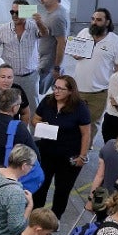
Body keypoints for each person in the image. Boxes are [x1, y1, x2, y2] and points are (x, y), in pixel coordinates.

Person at [31, 75, 92, 218]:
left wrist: (82, 156)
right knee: (40, 187)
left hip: (68, 157)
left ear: (71, 91)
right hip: (46, 153)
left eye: (61, 89)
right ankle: (36, 217)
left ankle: (54, 218)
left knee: (62, 191)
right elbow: (35, 119)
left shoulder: (80, 108)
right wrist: (39, 125)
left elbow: (86, 134)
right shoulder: (47, 101)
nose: (56, 91)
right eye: (55, 87)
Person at [69, 9, 118, 146]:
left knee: (91, 122)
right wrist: (77, 53)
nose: (94, 22)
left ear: (107, 22)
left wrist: (115, 91)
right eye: (93, 19)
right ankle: (75, 144)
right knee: (74, 119)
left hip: (99, 91)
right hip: (78, 88)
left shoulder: (116, 42)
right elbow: (74, 54)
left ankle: (86, 147)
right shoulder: (83, 33)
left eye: (99, 20)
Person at [0, 0, 42, 113]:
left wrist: (39, 22)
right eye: (12, 12)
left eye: (18, 12)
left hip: (30, 77)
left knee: (32, 108)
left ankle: (31, 131)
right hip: (11, 78)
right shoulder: (3, 29)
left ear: (26, 13)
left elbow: (45, 34)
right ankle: (10, 131)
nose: (14, 15)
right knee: (8, 108)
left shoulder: (34, 27)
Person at [31, 0, 69, 97]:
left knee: (35, 90)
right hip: (45, 59)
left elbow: (61, 43)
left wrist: (56, 67)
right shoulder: (55, 12)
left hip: (47, 63)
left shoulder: (57, 17)